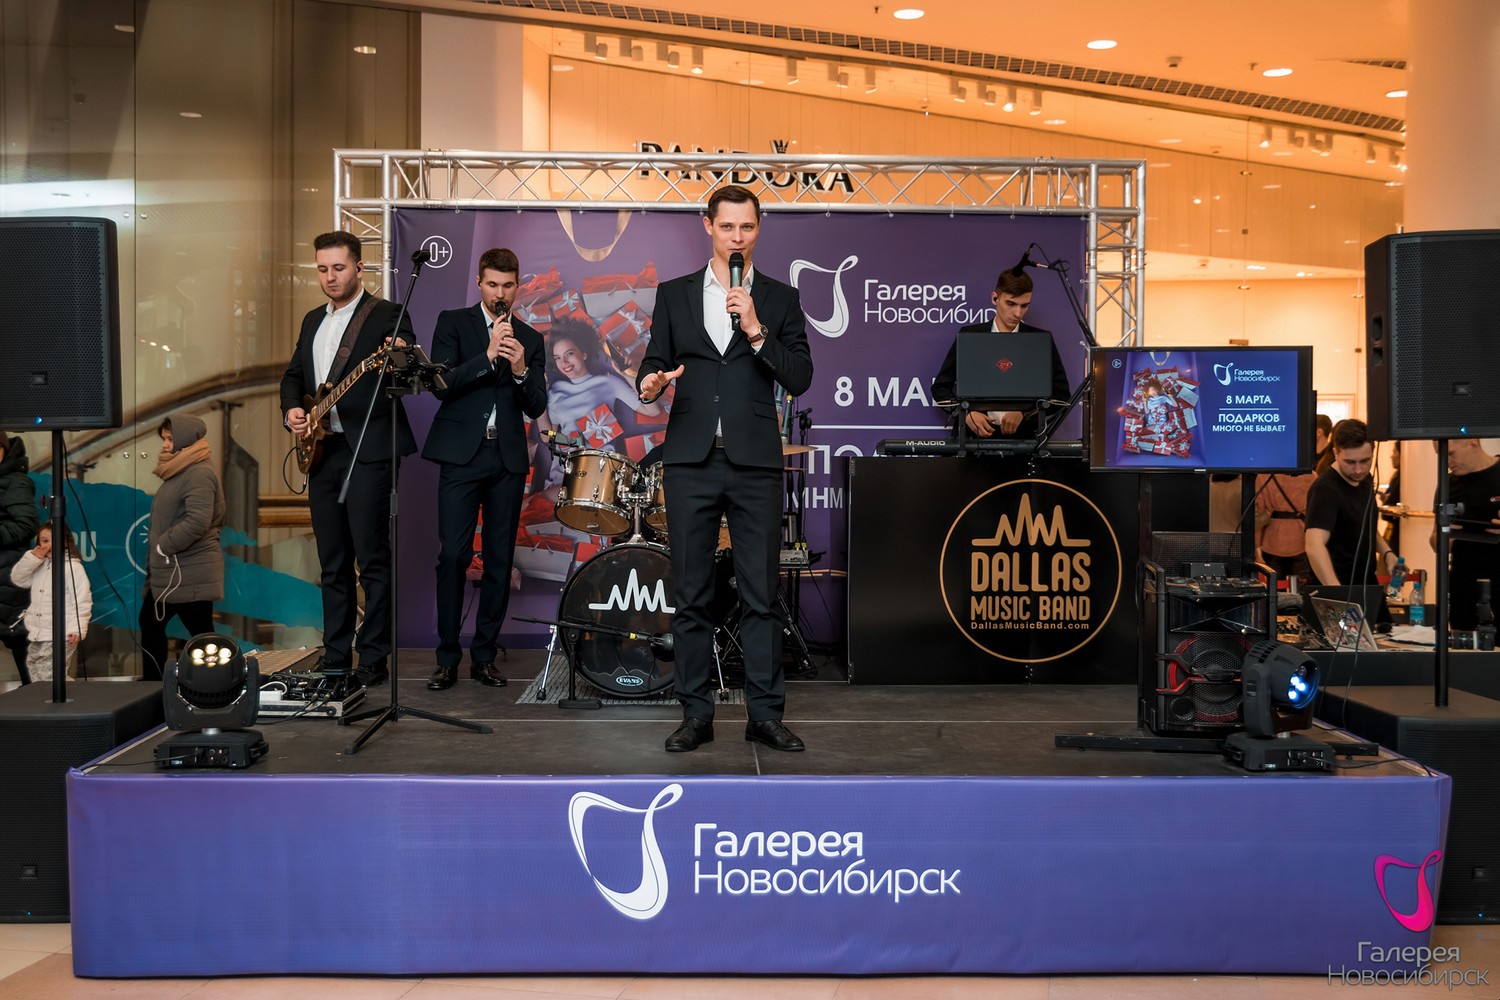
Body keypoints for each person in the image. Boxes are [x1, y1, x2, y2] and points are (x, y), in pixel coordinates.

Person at [636, 184, 814, 753]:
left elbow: (800, 376)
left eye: (747, 227)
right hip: (690, 459)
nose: (737, 237)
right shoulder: (675, 294)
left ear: (758, 230)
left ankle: (764, 716)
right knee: (691, 595)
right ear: (707, 226)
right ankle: (696, 714)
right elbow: (653, 363)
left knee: (760, 594)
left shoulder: (781, 299)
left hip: (754, 460)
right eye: (728, 226)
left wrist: (756, 329)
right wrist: (650, 382)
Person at [280, 230, 416, 690]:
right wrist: (292, 410)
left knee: (373, 559)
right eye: (322, 269)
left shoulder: (387, 315)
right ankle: (336, 654)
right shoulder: (311, 321)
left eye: (338, 268)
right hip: (323, 452)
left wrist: (398, 357)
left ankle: (374, 656)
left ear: (359, 267)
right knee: (332, 561)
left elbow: (406, 367)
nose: (330, 277)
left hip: (369, 450)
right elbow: (293, 376)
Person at [422, 247, 546, 690]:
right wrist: (487, 356)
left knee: (499, 560)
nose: (500, 293)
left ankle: (485, 656)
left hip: (506, 458)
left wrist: (519, 369)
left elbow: (536, 405)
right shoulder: (453, 323)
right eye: (492, 284)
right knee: (454, 555)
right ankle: (447, 656)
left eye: (508, 285)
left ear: (518, 287)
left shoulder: (530, 338)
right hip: (461, 455)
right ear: (479, 283)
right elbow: (440, 385)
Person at [931, 266, 1068, 440]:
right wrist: (965, 414)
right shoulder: (970, 337)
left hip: (1025, 442)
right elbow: (940, 388)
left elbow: (1061, 397)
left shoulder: (1040, 341)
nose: (1017, 313)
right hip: (972, 441)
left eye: (1024, 305)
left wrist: (1024, 412)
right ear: (995, 298)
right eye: (1011, 304)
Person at [139, 414, 225, 681]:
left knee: (200, 633)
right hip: (175, 570)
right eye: (164, 439)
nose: (164, 444)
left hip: (189, 569)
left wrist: (164, 546)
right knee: (159, 624)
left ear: (185, 439)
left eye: (169, 438)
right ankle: (157, 685)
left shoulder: (198, 472)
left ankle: (213, 685)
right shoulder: (181, 469)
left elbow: (198, 521)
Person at [538, 316, 663, 451]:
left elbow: (653, 411)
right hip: (569, 461)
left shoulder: (608, 382)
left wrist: (629, 374)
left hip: (603, 460)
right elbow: (548, 437)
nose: (564, 362)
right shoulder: (555, 392)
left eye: (569, 353)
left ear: (584, 354)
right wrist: (539, 394)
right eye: (557, 358)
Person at [1305, 418, 1398, 588]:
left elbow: (1365, 527)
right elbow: (1314, 545)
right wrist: (1336, 591)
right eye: (1350, 462)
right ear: (1336, 453)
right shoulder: (1325, 488)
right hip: (1336, 588)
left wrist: (1387, 554)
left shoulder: (1366, 479)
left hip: (1365, 585)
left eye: (1365, 461)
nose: (1358, 469)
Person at [10, 520, 92, 683]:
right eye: (45, 541)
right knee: (34, 665)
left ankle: (72, 695)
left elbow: (82, 599)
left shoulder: (73, 568)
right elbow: (19, 579)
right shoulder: (39, 566)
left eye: (55, 540)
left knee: (50, 673)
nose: (49, 545)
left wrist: (77, 628)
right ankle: (47, 695)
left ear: (66, 542)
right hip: (39, 632)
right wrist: (33, 558)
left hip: (62, 632)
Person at [1434, 438, 1500, 631]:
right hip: (1463, 590)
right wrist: (1446, 535)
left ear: (1472, 443)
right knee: (1464, 647)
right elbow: (1436, 543)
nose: (1447, 462)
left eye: (1450, 454)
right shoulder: (1447, 485)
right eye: (1441, 456)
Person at [0, 431, 39, 684]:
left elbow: (26, 525)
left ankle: (40, 702)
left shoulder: (15, 481)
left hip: (9, 578)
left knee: (22, 646)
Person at [1254, 469, 1314, 587]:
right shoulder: (1311, 476)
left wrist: (1257, 548)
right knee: (1301, 586)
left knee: (1272, 586)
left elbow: (1259, 513)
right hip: (1301, 539)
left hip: (1272, 539)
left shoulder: (1264, 476)